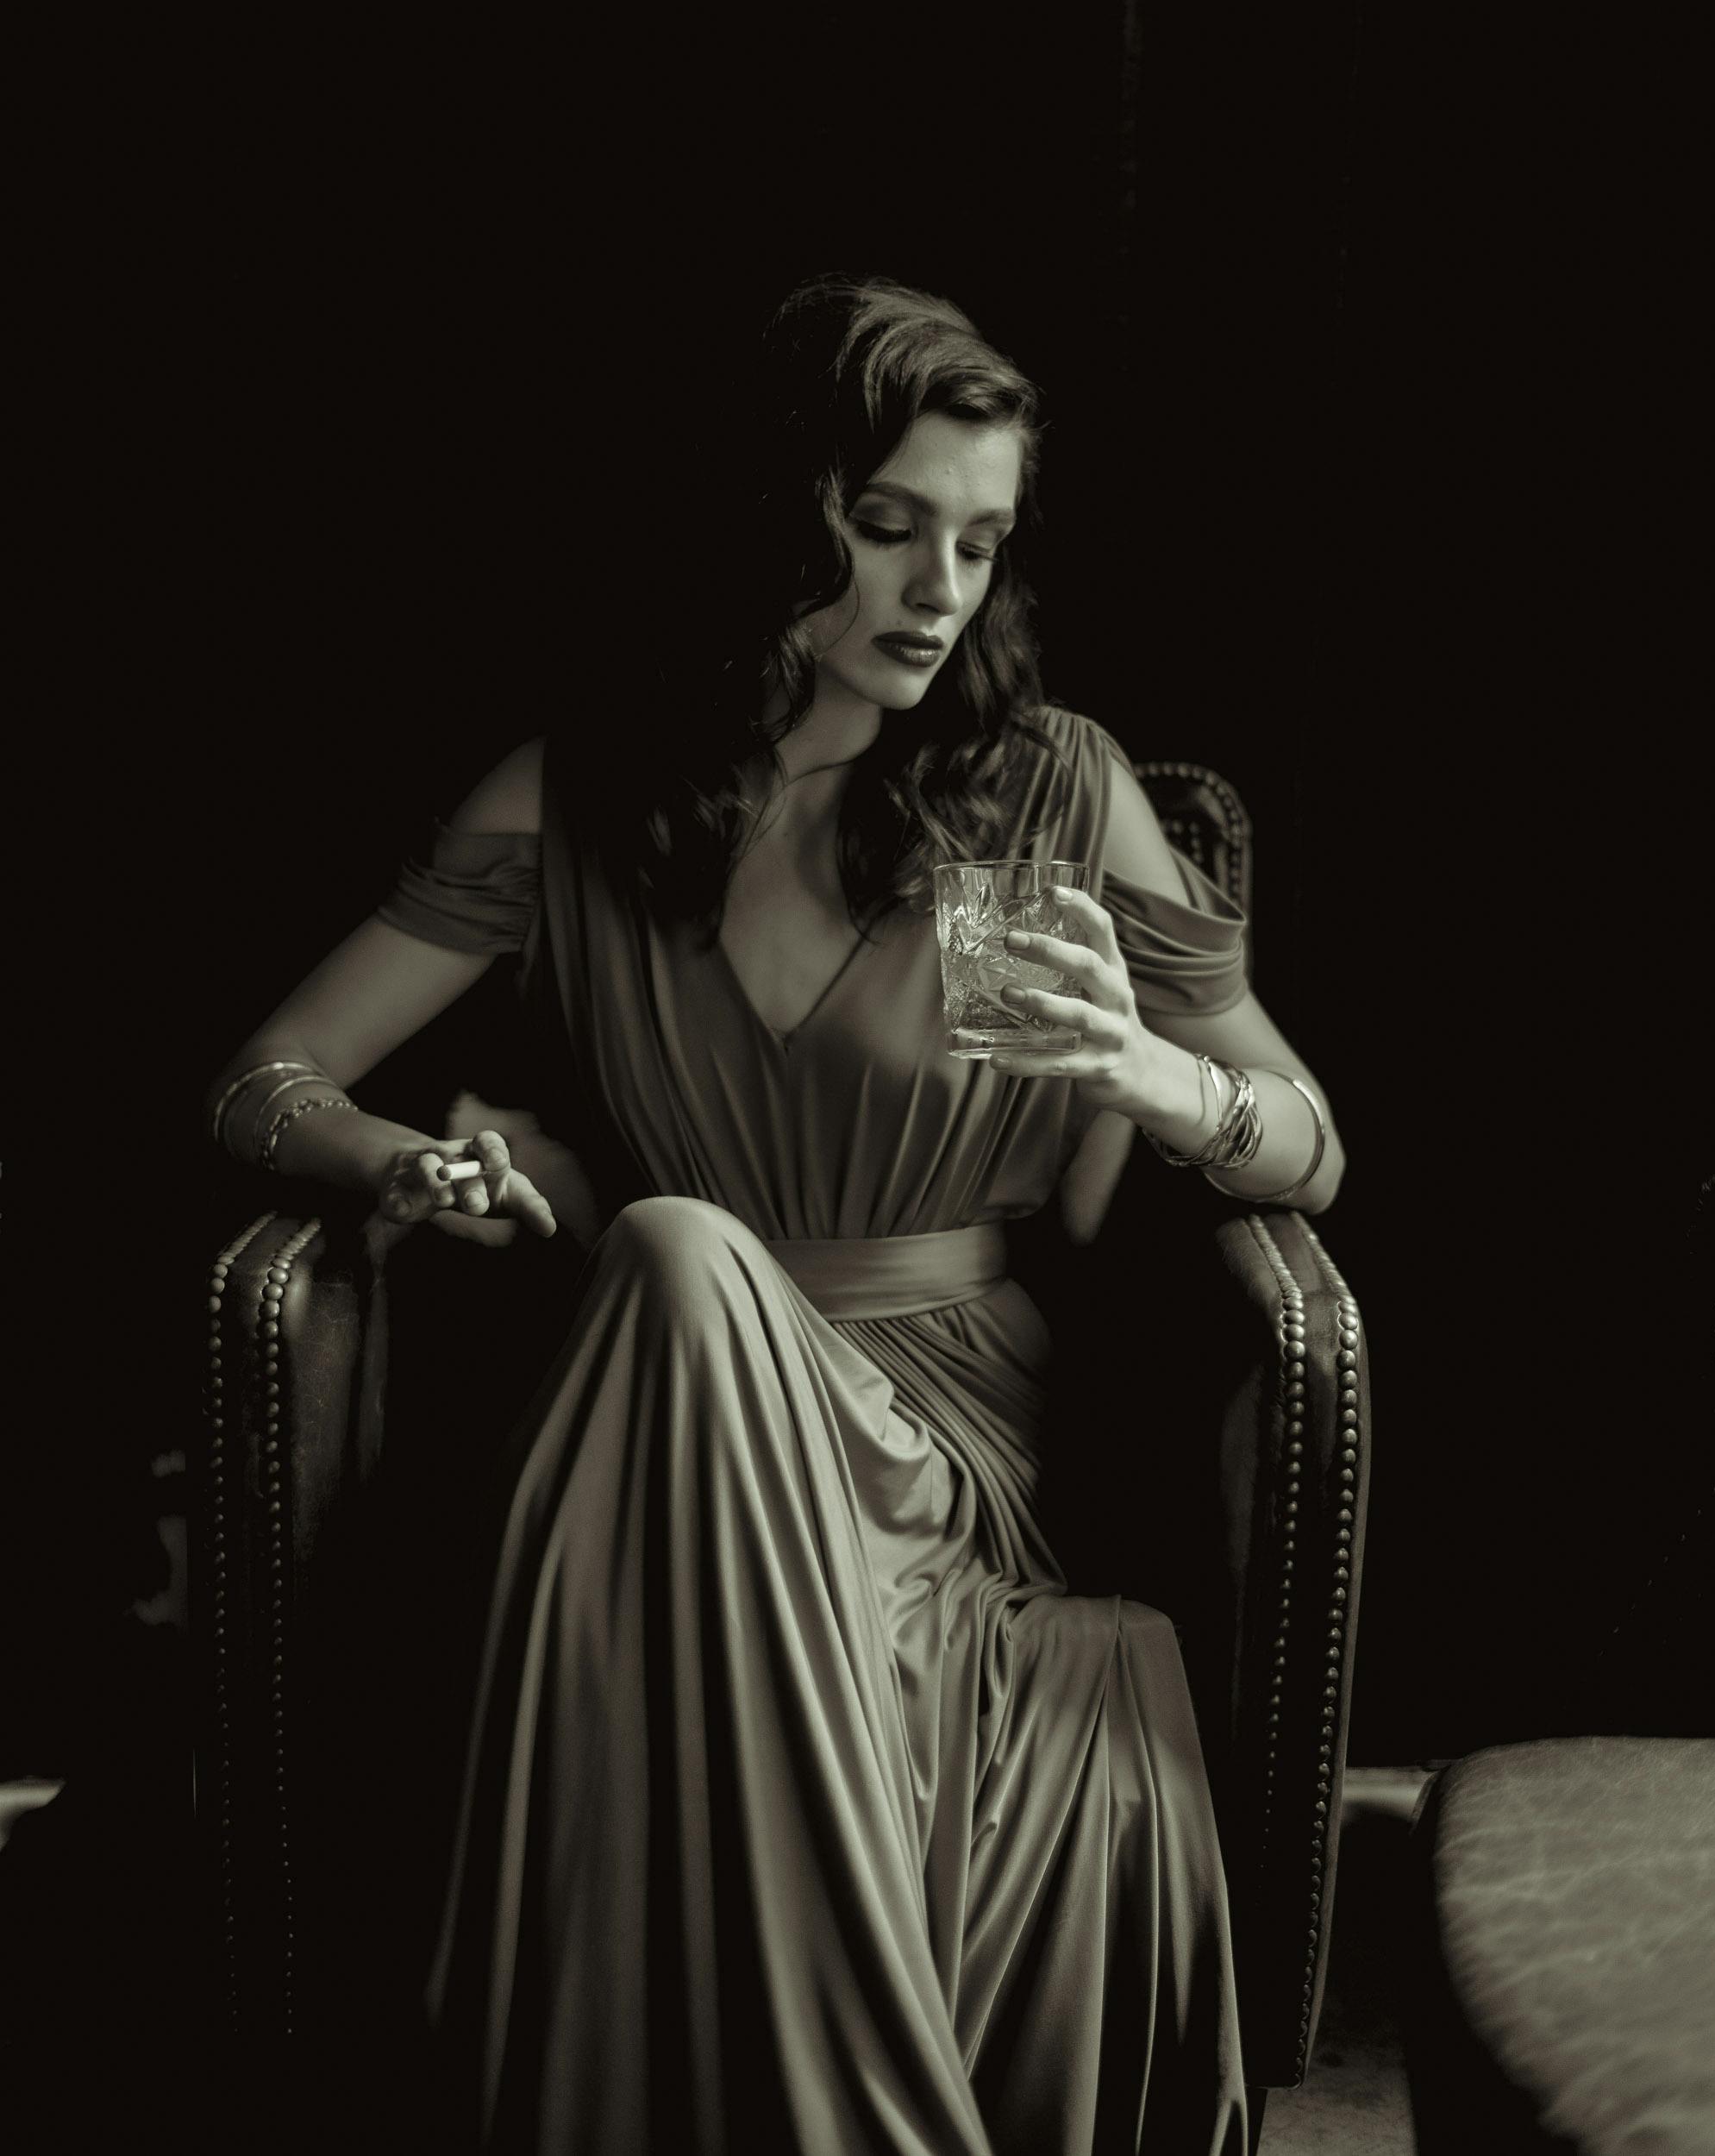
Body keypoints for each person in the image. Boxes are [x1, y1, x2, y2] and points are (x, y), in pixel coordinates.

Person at [207, 274, 1343, 2154]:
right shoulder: (570, 800)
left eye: (978, 541)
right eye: (885, 527)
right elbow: (263, 1084)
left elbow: (1307, 1142)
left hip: (942, 1428)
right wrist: (403, 1167)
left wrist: (1150, 1083)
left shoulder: (1033, 790)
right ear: (768, 514)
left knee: (667, 1241)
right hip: (656, 1426)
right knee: (672, 1251)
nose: (937, 590)